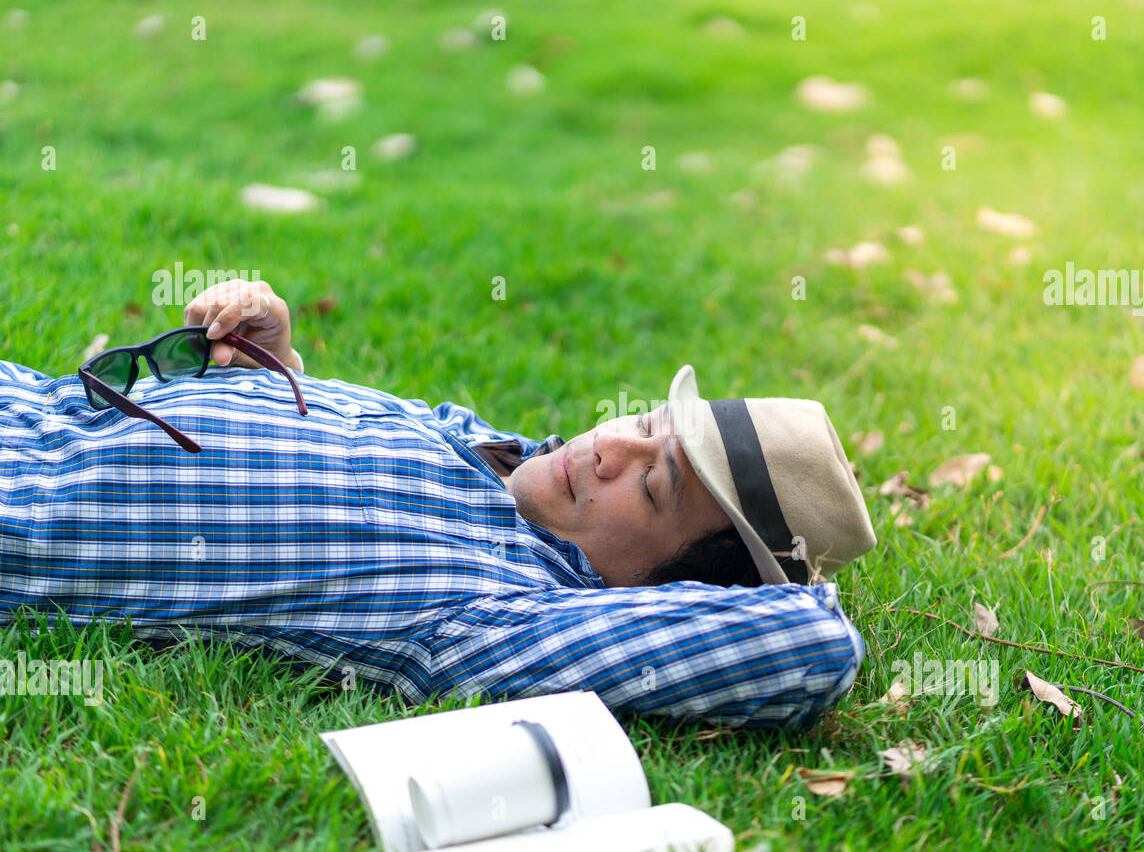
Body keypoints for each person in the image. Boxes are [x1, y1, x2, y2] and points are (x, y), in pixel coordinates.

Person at [0, 280, 877, 728]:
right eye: (646, 423)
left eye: (653, 486)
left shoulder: (497, 615)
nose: (611, 446)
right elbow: (313, 471)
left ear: (656, 588)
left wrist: (781, 560)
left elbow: (811, 646)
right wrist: (277, 367)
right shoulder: (485, 447)